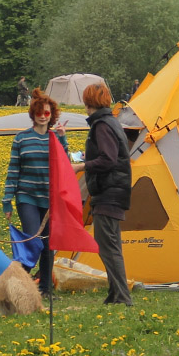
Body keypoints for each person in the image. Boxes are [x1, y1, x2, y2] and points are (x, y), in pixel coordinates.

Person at [71, 82, 133, 306]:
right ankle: (115, 295)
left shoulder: (102, 126)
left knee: (108, 247)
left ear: (89, 102)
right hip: (114, 191)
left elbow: (108, 159)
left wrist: (81, 166)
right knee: (110, 245)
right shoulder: (111, 122)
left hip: (109, 192)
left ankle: (123, 298)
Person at [3, 88, 68, 297]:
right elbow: (13, 170)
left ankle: (45, 289)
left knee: (49, 244)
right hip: (27, 198)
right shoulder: (21, 139)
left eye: (47, 113)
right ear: (33, 114)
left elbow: (65, 166)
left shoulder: (54, 139)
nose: (42, 116)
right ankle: (17, 282)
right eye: (39, 112)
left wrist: (63, 139)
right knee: (34, 241)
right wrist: (7, 201)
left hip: (49, 200)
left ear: (52, 115)